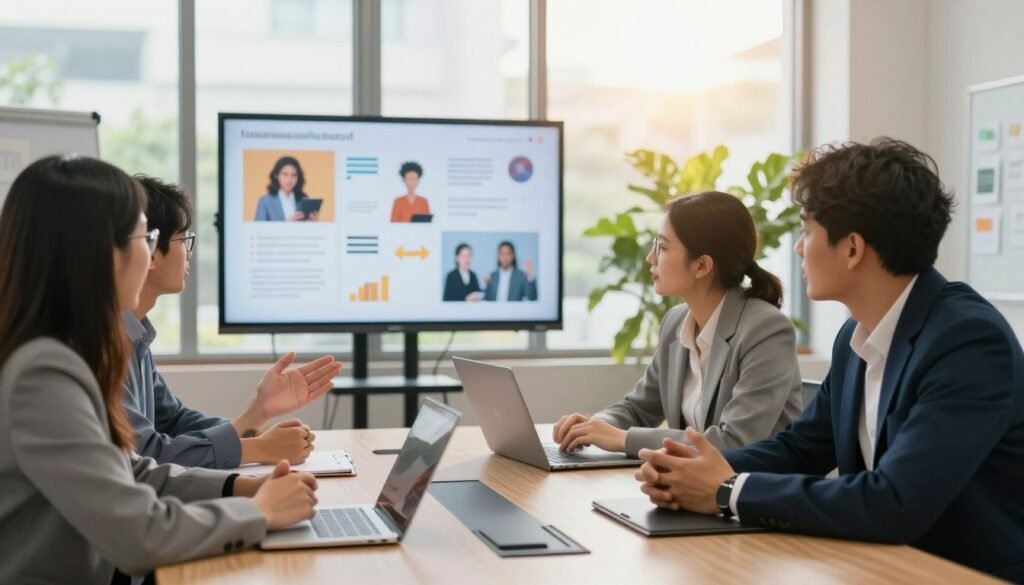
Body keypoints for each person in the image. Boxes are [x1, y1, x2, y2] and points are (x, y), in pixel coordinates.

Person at [633, 139, 1024, 583]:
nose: (799, 249)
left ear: (852, 248)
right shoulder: (855, 336)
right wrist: (692, 471)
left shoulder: (968, 342)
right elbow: (801, 448)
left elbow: (896, 501)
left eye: (807, 231)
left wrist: (726, 490)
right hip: (879, 566)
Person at [0, 155, 319, 584]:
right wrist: (258, 511)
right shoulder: (43, 375)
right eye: (144, 236)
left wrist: (238, 488)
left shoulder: (68, 352)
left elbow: (131, 471)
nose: (149, 251)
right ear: (97, 252)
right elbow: (138, 534)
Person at [553, 192, 801, 457]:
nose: (651, 257)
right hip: (693, 487)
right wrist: (596, 426)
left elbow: (735, 441)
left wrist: (623, 439)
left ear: (702, 265)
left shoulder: (766, 330)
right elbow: (638, 409)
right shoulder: (676, 322)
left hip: (754, 491)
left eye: (663, 247)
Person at [126, 175, 342, 469]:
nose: (189, 252)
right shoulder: (102, 343)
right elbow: (150, 453)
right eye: (183, 238)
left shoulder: (137, 335)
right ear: (150, 249)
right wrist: (256, 448)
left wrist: (257, 414)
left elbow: (175, 422)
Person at [254, 156, 318, 222]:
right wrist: (287, 224)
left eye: (293, 175)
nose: (289, 179)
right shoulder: (265, 201)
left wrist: (312, 223)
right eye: (285, 174)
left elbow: (308, 230)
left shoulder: (303, 200)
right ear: (276, 175)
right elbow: (258, 230)